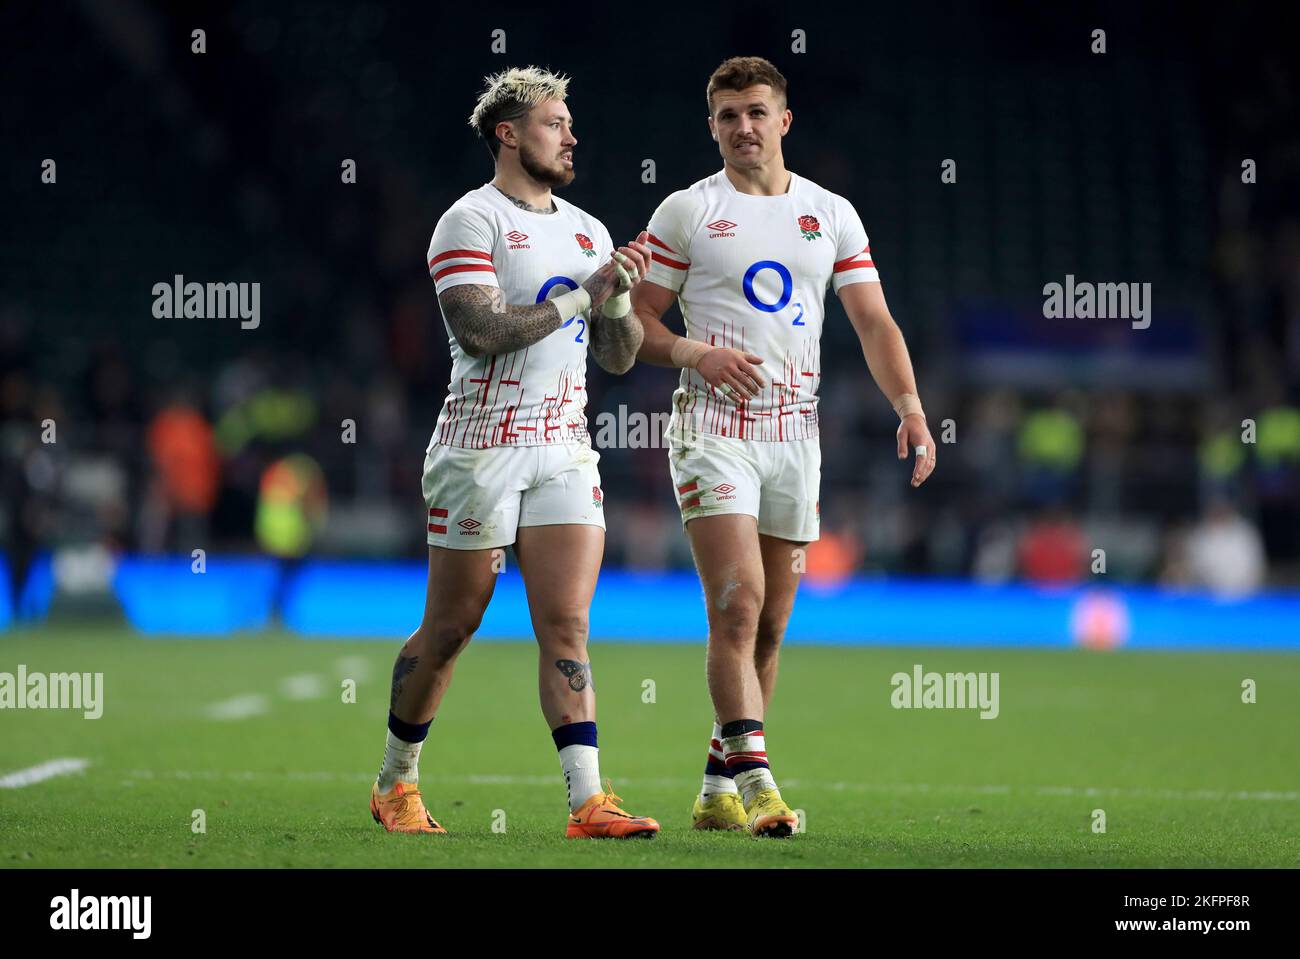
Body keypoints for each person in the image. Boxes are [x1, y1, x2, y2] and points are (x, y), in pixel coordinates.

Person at [630, 56, 936, 836]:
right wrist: (697, 355)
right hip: (712, 430)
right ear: (712, 126)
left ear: (783, 120)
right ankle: (761, 783)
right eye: (728, 115)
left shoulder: (831, 213)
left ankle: (716, 785)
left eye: (756, 112)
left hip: (796, 435)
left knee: (769, 627)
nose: (743, 127)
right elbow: (634, 325)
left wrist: (909, 405)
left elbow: (873, 320)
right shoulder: (687, 212)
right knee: (736, 605)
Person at [370, 66, 659, 838]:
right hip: (481, 448)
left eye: (569, 124)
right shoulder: (469, 222)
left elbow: (622, 356)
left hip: (564, 446)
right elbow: (482, 333)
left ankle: (588, 801)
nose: (571, 136)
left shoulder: (589, 229)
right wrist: (581, 295)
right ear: (508, 132)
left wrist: (620, 294)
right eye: (554, 123)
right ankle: (396, 781)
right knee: (454, 624)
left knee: (566, 623)